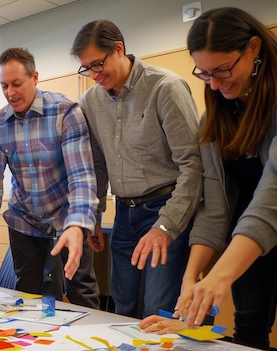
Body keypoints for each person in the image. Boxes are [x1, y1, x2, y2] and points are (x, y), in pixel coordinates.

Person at [161, 7, 277, 350]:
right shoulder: (214, 119)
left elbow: (272, 192)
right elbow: (214, 207)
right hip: (248, 239)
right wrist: (190, 278)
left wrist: (219, 275)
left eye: (223, 69)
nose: (214, 83)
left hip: (262, 221)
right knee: (249, 329)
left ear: (253, 49)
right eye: (205, 73)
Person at [71, 20, 202, 318]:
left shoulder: (165, 88)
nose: (93, 75)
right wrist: (93, 216)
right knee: (122, 308)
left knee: (157, 309)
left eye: (98, 64)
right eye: (86, 68)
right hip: (124, 216)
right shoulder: (90, 101)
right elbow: (97, 165)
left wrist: (166, 227)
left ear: (119, 49)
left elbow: (193, 166)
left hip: (166, 209)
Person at [0, 47, 100, 308]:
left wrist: (78, 224)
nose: (10, 93)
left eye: (16, 84)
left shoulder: (65, 112)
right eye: (4, 85)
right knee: (27, 292)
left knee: (80, 287)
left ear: (35, 77)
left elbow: (82, 176)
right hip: (25, 218)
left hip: (66, 216)